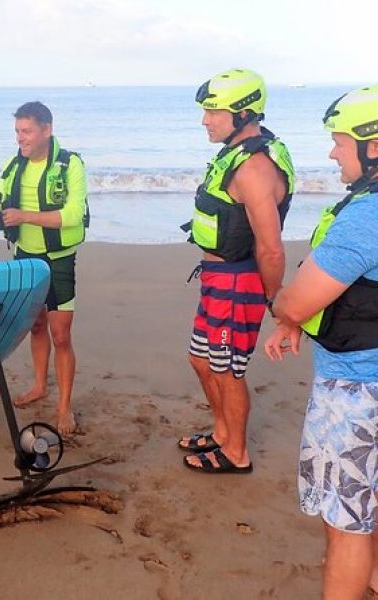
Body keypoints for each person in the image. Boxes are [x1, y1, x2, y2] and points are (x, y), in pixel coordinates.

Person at [265, 84, 378, 599]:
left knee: (347, 516)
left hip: (359, 391)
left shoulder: (367, 217)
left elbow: (296, 301)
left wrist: (287, 312)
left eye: (339, 141)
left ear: (372, 146)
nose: (333, 152)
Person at [178, 68, 295, 473]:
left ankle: (236, 453)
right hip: (216, 280)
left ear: (243, 113)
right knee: (200, 360)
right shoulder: (236, 155)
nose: (205, 120)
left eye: (213, 111)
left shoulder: (255, 168)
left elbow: (271, 247)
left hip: (238, 283)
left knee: (227, 369)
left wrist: (271, 298)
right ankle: (223, 432)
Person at [0, 101, 88, 436]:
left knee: (61, 334)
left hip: (58, 260)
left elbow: (71, 215)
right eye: (17, 131)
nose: (20, 138)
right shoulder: (15, 164)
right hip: (26, 256)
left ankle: (64, 406)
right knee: (37, 325)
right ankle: (40, 385)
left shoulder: (70, 164)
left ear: (46, 129)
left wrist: (24, 216)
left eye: (26, 131)